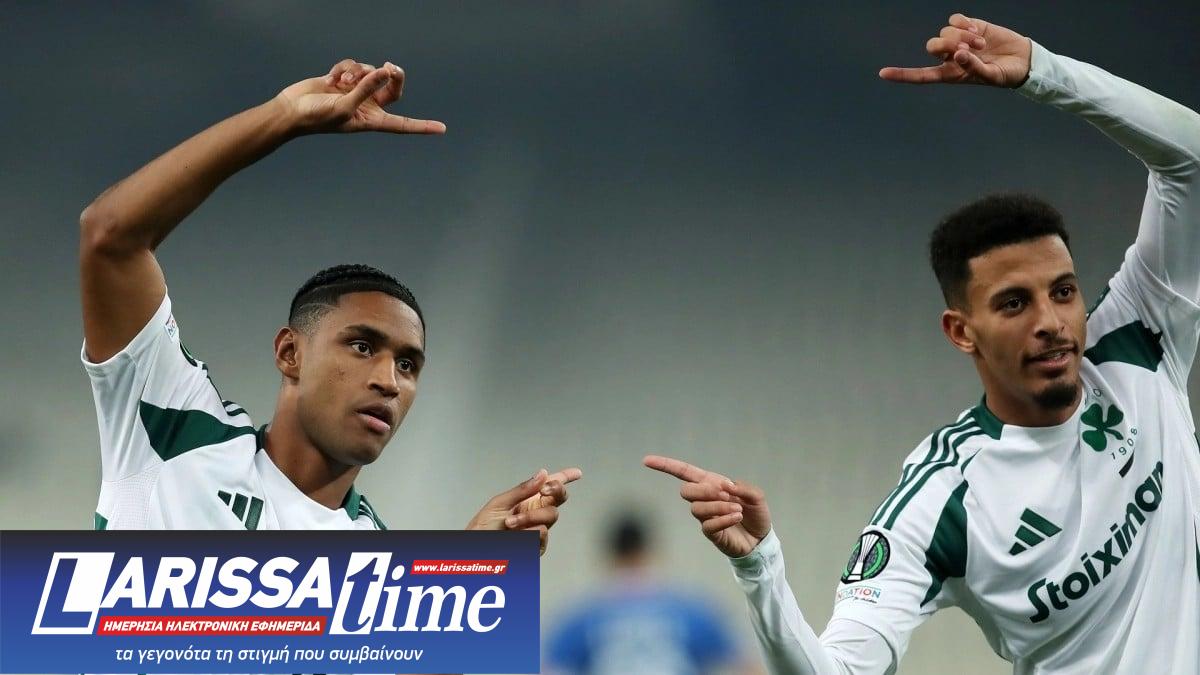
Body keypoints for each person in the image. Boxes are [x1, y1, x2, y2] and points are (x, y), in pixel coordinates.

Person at [646, 13, 1200, 674]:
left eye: (1063, 291)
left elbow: (1191, 159)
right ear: (961, 331)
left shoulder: (1139, 337)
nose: (1051, 321)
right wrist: (761, 568)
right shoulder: (942, 501)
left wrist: (1044, 72)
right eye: (1014, 303)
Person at [80, 58, 579, 547]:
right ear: (289, 353)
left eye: (408, 365)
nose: (389, 381)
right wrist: (284, 117)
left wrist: (470, 565)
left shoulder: (377, 564)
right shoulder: (174, 429)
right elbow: (110, 235)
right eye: (362, 346)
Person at [545, 512, 749, 675]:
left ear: (611, 554)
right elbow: (745, 665)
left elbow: (548, 667)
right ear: (648, 551)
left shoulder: (585, 614)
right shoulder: (689, 608)